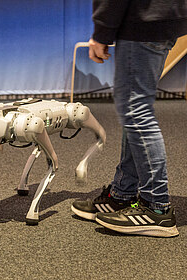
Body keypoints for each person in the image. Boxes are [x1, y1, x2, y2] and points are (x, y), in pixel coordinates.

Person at [71, 0, 187, 237]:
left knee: (136, 112)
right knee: (134, 113)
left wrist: (102, 31)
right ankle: (123, 195)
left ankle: (157, 207)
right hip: (163, 17)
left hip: (143, 20)